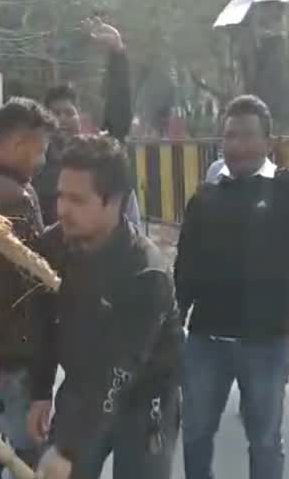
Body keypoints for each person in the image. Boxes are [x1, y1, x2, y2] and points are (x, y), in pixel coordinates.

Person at [30, 135, 183, 479]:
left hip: (144, 400)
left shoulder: (147, 274)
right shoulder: (55, 246)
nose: (62, 209)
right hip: (82, 387)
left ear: (114, 202)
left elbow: (119, 369)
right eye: (61, 196)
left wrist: (67, 448)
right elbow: (43, 322)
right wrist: (40, 392)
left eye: (77, 200)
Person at [175, 95, 288, 479]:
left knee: (265, 441)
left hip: (267, 342)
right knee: (194, 434)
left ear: (268, 142)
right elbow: (184, 270)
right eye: (229, 136)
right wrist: (173, 324)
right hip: (206, 341)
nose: (236, 146)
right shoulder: (204, 199)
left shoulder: (284, 192)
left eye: (246, 136)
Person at [0, 98, 57, 478]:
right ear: (19, 143)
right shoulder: (16, 198)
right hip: (9, 354)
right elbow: (32, 282)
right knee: (23, 457)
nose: (40, 162)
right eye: (39, 151)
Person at [36, 17, 141, 228]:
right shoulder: (36, 165)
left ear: (79, 116)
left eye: (69, 112)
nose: (63, 119)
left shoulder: (96, 156)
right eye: (56, 113)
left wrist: (117, 54)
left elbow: (118, 120)